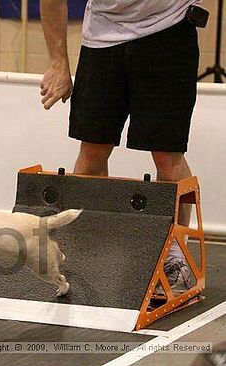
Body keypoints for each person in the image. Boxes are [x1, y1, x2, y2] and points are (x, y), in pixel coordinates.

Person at [39, 0, 202, 294]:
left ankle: (175, 256)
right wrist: (58, 63)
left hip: (169, 28)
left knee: (167, 155)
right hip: (102, 38)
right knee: (92, 150)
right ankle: (88, 248)